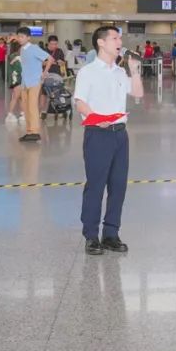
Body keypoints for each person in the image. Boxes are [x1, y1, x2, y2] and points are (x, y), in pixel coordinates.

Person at [74, 26, 144, 256]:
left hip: (120, 134)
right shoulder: (88, 72)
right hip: (97, 133)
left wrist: (134, 70)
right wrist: (96, 118)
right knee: (96, 185)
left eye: (120, 38)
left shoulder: (120, 72)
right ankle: (91, 236)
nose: (119, 42)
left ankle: (111, 234)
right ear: (101, 43)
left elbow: (138, 94)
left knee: (118, 185)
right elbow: (80, 102)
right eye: (115, 38)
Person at [16, 27, 51, 143]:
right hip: (25, 82)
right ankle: (29, 132)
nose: (19, 39)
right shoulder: (22, 49)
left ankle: (35, 132)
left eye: (22, 37)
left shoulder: (34, 48)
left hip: (34, 81)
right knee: (26, 107)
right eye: (18, 37)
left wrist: (44, 73)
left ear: (28, 38)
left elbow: (50, 59)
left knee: (32, 106)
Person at [5, 40, 24, 123]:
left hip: (18, 79)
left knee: (21, 97)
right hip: (17, 79)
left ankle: (22, 113)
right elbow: (18, 68)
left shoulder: (15, 55)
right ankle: (10, 114)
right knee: (16, 97)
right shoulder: (14, 56)